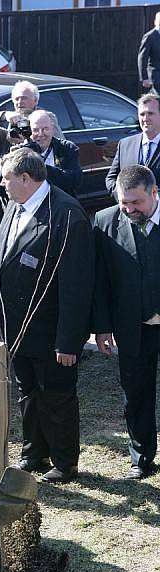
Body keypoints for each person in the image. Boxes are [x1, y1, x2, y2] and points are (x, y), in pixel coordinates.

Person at [0, 148, 94, 483]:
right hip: (18, 326)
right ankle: (34, 452)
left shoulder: (67, 215)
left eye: (6, 177)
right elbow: (3, 264)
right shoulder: (14, 207)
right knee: (28, 391)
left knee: (57, 396)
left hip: (51, 331)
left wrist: (69, 341)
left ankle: (65, 462)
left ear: (24, 178)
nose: (1, 182)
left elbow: (77, 286)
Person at [94, 164, 160, 480]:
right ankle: (141, 456)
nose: (130, 209)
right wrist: (103, 327)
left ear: (154, 193)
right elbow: (101, 283)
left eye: (137, 203)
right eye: (125, 203)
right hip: (132, 327)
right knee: (135, 393)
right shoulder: (105, 222)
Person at [106, 93, 160, 198]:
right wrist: (125, 197)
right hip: (130, 212)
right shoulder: (125, 145)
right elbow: (111, 178)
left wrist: (153, 202)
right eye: (142, 114)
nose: (145, 118)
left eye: (150, 113)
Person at [0, 80, 40, 163]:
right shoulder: (6, 129)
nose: (20, 102)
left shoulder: (47, 120)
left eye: (24, 98)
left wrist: (27, 141)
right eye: (17, 99)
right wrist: (4, 115)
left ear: (35, 101)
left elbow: (54, 146)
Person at [28, 110, 82, 196]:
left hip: (61, 201)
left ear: (53, 130)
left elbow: (74, 180)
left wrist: (39, 166)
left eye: (45, 129)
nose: (40, 134)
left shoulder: (67, 148)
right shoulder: (25, 152)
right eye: (35, 130)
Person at [138, 11, 160, 95]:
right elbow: (142, 57)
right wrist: (144, 78)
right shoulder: (150, 36)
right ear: (155, 22)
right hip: (156, 75)